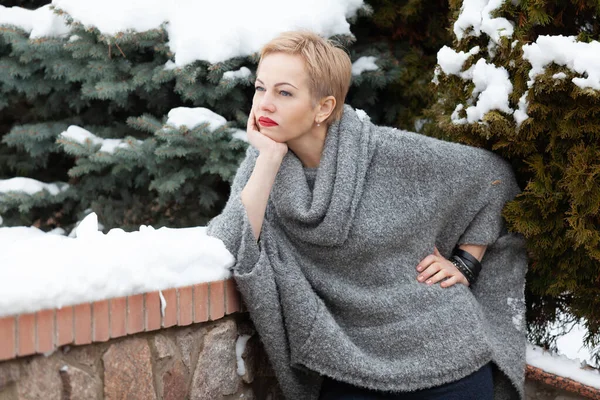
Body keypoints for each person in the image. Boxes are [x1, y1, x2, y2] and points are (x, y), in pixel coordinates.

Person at [207, 30, 527, 400]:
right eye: (260, 88)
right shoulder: (264, 163)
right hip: (347, 365)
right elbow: (230, 243)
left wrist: (466, 264)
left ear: (323, 108)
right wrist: (269, 160)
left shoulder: (387, 153)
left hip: (445, 355)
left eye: (284, 92)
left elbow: (492, 178)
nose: (264, 104)